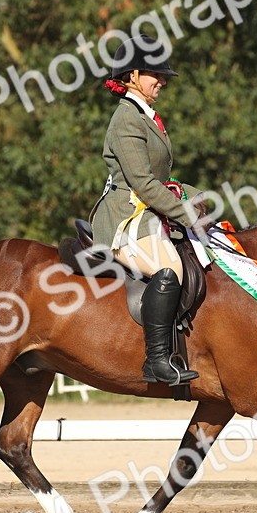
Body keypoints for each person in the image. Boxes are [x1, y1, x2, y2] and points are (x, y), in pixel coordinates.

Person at [90, 36, 205, 386]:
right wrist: (186, 214)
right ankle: (156, 361)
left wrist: (196, 197)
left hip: (148, 212)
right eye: (155, 74)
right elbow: (142, 183)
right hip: (125, 217)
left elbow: (162, 180)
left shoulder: (146, 117)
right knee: (168, 268)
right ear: (133, 76)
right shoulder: (127, 119)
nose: (162, 81)